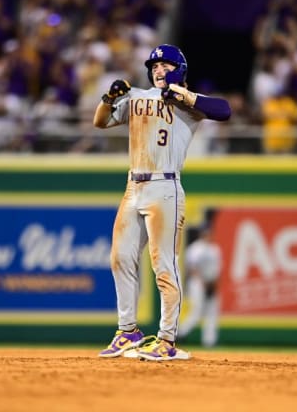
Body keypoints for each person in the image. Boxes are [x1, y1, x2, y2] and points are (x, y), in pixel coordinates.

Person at [94, 44, 231, 361]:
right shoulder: (139, 96)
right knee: (120, 258)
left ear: (180, 68)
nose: (158, 70)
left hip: (164, 186)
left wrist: (182, 94)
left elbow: (224, 110)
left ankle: (167, 339)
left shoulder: (188, 102)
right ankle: (127, 332)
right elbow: (100, 122)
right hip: (133, 185)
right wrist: (109, 98)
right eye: (154, 66)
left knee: (163, 266)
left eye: (166, 65)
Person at [177, 226, 222, 348]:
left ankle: (210, 341)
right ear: (201, 234)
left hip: (211, 283)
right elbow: (192, 269)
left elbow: (217, 270)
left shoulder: (215, 249)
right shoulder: (195, 248)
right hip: (197, 283)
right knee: (197, 311)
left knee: (212, 312)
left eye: (209, 233)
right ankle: (180, 333)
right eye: (206, 233)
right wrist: (204, 283)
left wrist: (214, 284)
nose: (208, 235)